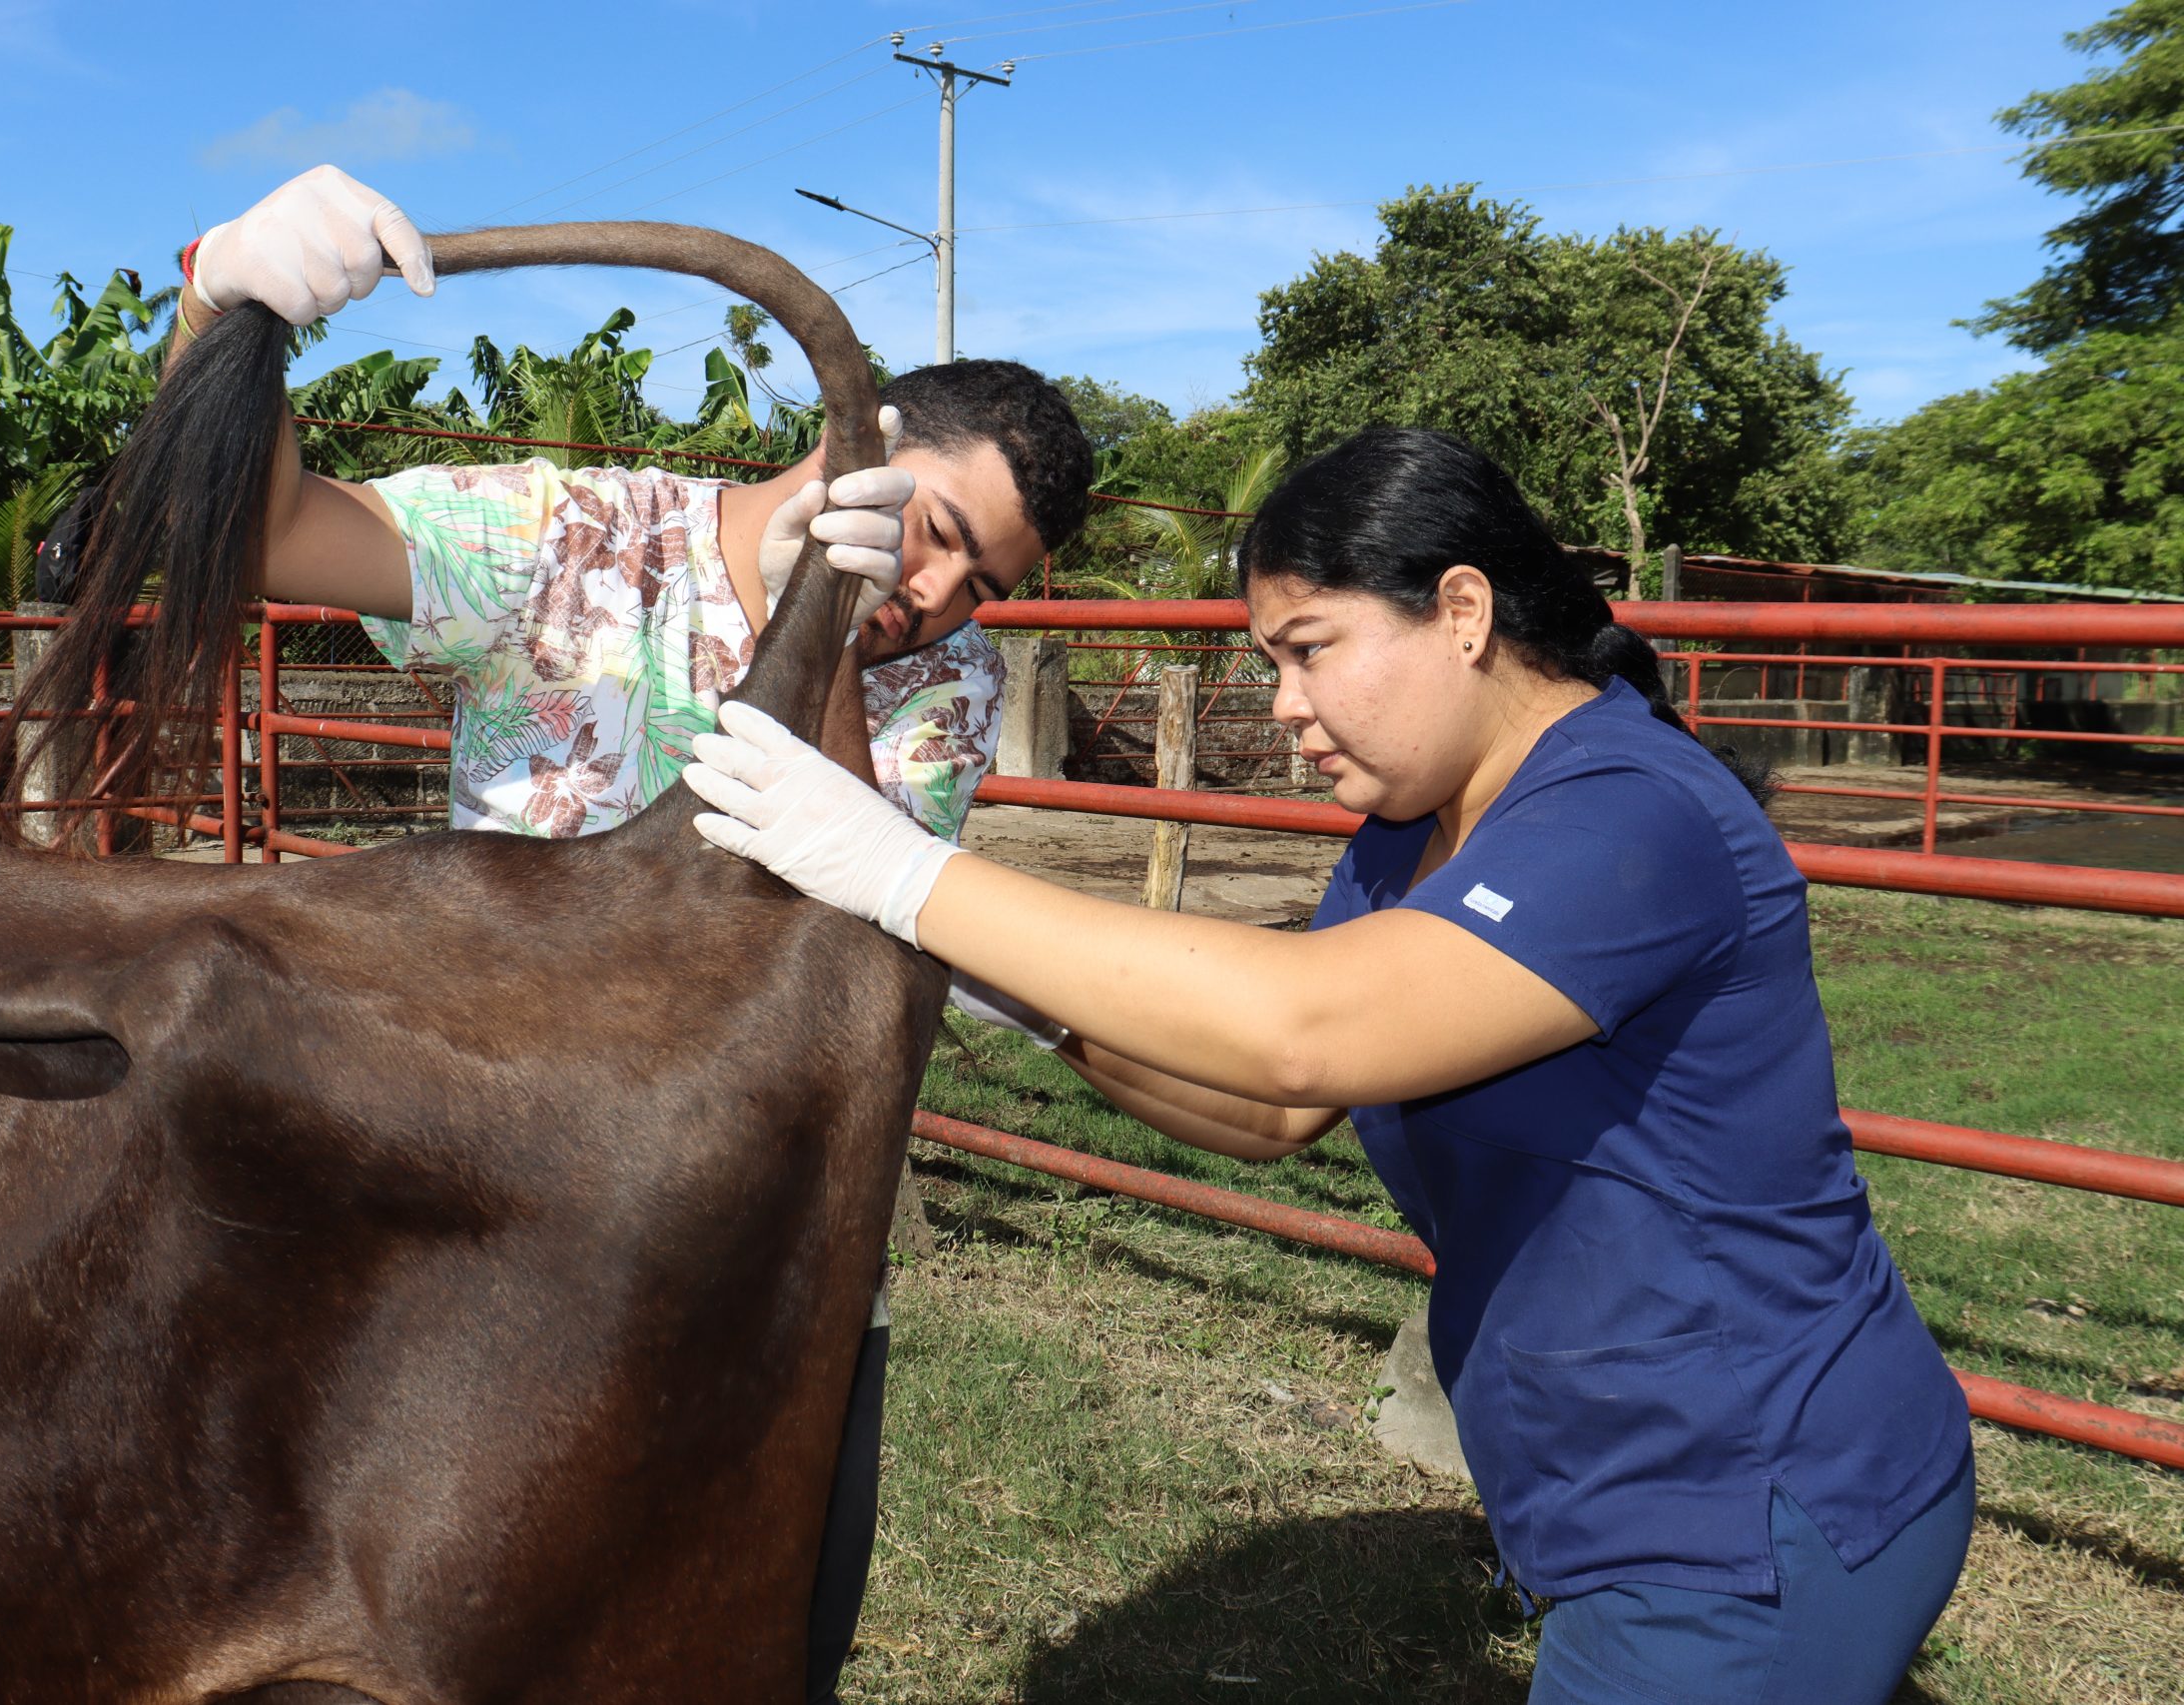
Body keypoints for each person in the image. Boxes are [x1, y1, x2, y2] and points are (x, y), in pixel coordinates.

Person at [683, 426, 1976, 1705]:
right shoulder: (1408, 830)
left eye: (1309, 652)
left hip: (1754, 1500)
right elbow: (1278, 1101)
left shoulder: (1634, 810)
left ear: (1461, 612)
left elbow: (1313, 1027)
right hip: (1620, 1483)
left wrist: (909, 876)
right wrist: (998, 987)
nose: (1286, 706)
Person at [173, 165, 1095, 1703]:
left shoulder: (941, 681)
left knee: (755, 1651)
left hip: (770, 1250)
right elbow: (268, 534)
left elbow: (866, 920)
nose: (932, 592)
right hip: (480, 1225)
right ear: (849, 447)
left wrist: (835, 636)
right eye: (928, 531)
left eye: (972, 582)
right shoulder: (567, 537)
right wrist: (222, 303)